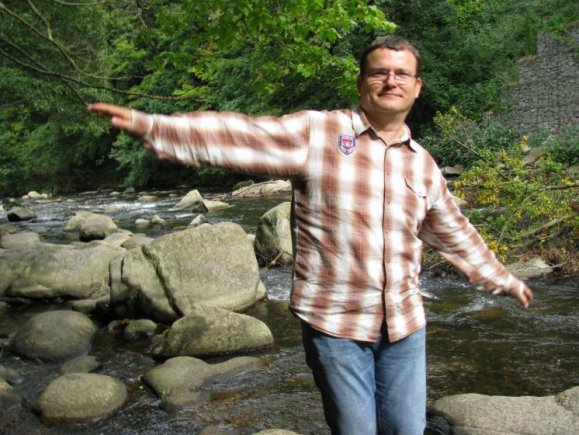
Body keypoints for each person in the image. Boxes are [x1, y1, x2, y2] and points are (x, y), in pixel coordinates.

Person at [89, 35, 533, 435]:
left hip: (404, 324)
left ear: (417, 87)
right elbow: (244, 136)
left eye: (402, 74)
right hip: (335, 323)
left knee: (406, 429)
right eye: (380, 72)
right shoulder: (320, 133)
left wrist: (501, 278)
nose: (391, 81)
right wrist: (156, 127)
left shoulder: (423, 164)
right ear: (361, 82)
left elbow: (452, 230)